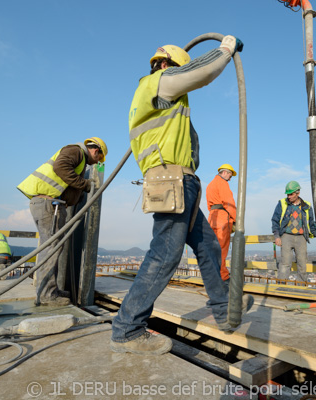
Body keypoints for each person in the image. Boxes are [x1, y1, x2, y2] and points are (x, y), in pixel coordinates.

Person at [111, 36, 253, 355]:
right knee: (165, 254)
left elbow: (193, 151)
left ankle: (224, 311)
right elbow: (203, 71)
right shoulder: (157, 83)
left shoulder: (168, 103)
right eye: (178, 70)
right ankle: (127, 328)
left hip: (183, 183)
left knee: (208, 245)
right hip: (170, 179)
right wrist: (225, 49)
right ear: (167, 66)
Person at [17, 137, 107, 306]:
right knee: (51, 248)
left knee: (53, 247)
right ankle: (47, 294)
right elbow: (61, 167)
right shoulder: (76, 151)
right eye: (99, 158)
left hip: (48, 204)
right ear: (96, 151)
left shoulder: (78, 157)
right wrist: (86, 184)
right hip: (49, 204)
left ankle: (51, 289)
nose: (97, 163)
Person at [271, 181, 316, 281]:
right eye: (288, 194)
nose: (289, 196)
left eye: (291, 194)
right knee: (285, 263)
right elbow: (275, 220)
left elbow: (311, 223)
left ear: (298, 193)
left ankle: (301, 288)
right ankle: (281, 287)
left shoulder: (307, 206)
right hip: (286, 236)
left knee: (302, 264)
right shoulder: (282, 203)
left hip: (301, 237)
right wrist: (277, 236)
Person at [206, 164, 237, 282]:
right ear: (224, 172)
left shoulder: (210, 184)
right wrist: (236, 219)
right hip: (223, 218)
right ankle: (223, 277)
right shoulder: (223, 183)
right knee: (222, 248)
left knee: (212, 248)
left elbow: (210, 205)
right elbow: (229, 203)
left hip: (212, 217)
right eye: (230, 175)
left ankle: (212, 275)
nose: (230, 178)